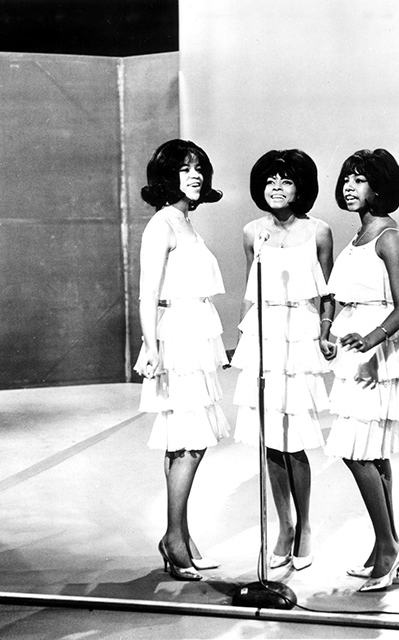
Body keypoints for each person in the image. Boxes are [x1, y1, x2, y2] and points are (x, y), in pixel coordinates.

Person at [231, 149, 335, 571]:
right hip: (265, 337)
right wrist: (238, 345)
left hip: (301, 336)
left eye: (286, 181)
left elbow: (328, 292)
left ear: (301, 187)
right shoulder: (251, 231)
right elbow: (251, 289)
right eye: (270, 180)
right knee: (270, 438)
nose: (277, 187)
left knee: (296, 443)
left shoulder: (320, 231)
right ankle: (284, 526)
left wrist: (326, 333)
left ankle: (306, 526)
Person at [324, 148, 399, 592]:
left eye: (359, 179)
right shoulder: (358, 235)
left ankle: (387, 547)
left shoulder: (389, 238)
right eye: (347, 178)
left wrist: (370, 339)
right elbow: (341, 297)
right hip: (352, 349)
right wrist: (330, 332)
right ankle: (387, 546)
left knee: (359, 451)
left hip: (376, 356)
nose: (348, 186)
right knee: (372, 453)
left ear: (379, 187)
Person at [134, 139, 229, 581]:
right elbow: (148, 293)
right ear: (166, 176)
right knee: (189, 439)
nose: (195, 176)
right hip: (175, 338)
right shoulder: (163, 225)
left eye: (199, 169)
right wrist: (150, 346)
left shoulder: (186, 223)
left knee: (186, 437)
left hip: (195, 334)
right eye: (185, 169)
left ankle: (181, 535)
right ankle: (174, 537)